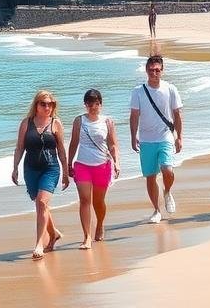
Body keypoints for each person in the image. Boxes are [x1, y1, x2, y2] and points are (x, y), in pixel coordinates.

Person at [12, 89, 69, 259]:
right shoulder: (26, 123)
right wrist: (14, 168)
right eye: (43, 104)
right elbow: (20, 147)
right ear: (36, 105)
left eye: (50, 104)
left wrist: (66, 172)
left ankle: (39, 245)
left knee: (42, 202)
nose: (47, 107)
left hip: (50, 168)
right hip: (30, 168)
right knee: (40, 205)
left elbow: (61, 149)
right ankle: (54, 234)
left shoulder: (56, 123)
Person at [129, 54, 183, 224]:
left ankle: (167, 191)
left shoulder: (170, 89)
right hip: (146, 139)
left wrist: (179, 137)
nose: (154, 73)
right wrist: (133, 136)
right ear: (146, 70)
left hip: (165, 136)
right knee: (150, 176)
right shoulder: (138, 91)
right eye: (151, 70)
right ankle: (156, 210)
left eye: (157, 70)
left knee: (168, 170)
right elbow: (134, 115)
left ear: (162, 71)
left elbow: (177, 114)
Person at [66, 88, 120, 249]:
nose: (92, 106)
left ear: (100, 104)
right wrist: (69, 163)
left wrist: (117, 163)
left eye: (96, 103)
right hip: (82, 165)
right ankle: (87, 237)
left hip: (102, 165)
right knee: (84, 200)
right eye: (89, 103)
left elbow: (112, 144)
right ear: (85, 105)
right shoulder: (79, 121)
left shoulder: (107, 122)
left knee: (98, 201)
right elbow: (74, 143)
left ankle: (100, 223)